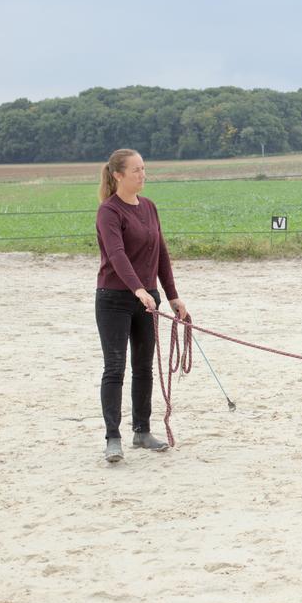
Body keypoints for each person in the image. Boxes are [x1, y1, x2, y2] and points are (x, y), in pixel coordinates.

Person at [95, 149, 189, 463]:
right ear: (118, 175)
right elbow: (117, 254)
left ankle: (142, 431)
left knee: (144, 367)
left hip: (147, 299)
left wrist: (172, 296)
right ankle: (113, 438)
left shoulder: (149, 207)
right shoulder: (109, 211)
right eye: (136, 170)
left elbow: (161, 252)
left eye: (144, 168)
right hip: (114, 299)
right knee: (115, 368)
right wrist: (136, 288)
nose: (142, 174)